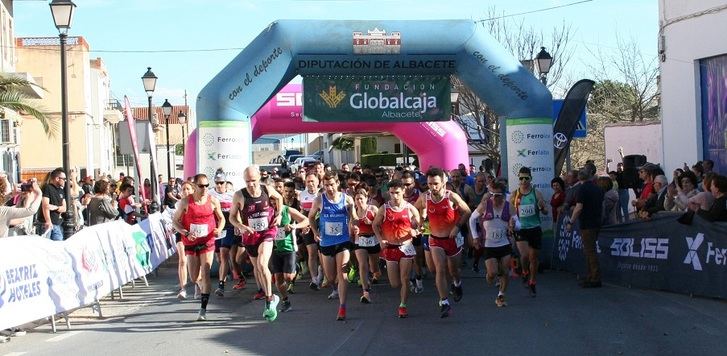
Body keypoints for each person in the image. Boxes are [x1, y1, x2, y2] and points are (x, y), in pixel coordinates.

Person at [414, 167, 471, 318]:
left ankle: (457, 284)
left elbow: (467, 211)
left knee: (454, 271)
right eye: (430, 184)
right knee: (439, 268)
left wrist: (457, 227)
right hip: (435, 239)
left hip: (452, 239)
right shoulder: (425, 198)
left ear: (444, 182)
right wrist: (419, 223)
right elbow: (413, 210)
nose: (432, 187)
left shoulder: (451, 196)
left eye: (435, 183)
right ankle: (444, 301)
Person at [229, 166, 284, 322]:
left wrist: (279, 215)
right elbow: (232, 217)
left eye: (253, 181)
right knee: (257, 268)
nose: (251, 184)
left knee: (262, 263)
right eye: (247, 181)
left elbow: (279, 198)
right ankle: (271, 296)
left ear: (259, 178)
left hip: (267, 231)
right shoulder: (239, 195)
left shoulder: (267, 189)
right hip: (250, 235)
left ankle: (269, 300)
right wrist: (241, 226)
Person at [172, 174, 226, 321]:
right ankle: (200, 285)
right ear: (195, 186)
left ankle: (203, 309)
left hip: (207, 241)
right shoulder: (185, 202)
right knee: (194, 277)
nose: (205, 189)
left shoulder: (213, 201)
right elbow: (175, 221)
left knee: (206, 272)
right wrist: (185, 232)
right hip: (191, 242)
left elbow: (222, 218)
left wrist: (219, 228)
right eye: (201, 186)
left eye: (207, 186)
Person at [308, 171, 358, 321]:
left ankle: (342, 307)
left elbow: (353, 216)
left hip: (343, 241)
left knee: (342, 274)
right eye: (326, 185)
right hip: (326, 243)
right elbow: (310, 217)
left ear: (337, 184)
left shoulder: (347, 199)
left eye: (331, 184)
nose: (329, 188)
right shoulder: (319, 200)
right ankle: (334, 288)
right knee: (330, 277)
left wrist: (355, 226)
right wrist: (315, 232)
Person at [373, 179, 421, 318]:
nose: (395, 196)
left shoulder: (410, 208)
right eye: (392, 193)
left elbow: (418, 225)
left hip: (406, 247)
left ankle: (403, 305)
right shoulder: (384, 208)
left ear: (403, 192)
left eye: (397, 193)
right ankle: (406, 287)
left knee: (404, 278)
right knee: (395, 283)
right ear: (389, 192)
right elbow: (375, 225)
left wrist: (415, 231)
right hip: (390, 248)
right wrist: (380, 239)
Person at [469, 181, 516, 307]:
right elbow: (472, 219)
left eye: (497, 195)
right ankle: (490, 277)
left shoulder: (509, 206)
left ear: (503, 195)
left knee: (505, 271)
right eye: (492, 194)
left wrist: (513, 224)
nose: (494, 198)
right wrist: (475, 237)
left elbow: (518, 222)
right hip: (489, 245)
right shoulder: (485, 205)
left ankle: (501, 296)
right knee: (492, 273)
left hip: (504, 243)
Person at [510, 166, 549, 297]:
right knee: (525, 255)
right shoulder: (515, 195)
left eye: (526, 178)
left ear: (531, 179)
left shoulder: (536, 193)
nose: (524, 180)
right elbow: (509, 212)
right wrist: (511, 223)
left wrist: (542, 208)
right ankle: (525, 271)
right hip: (521, 229)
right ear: (519, 179)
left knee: (533, 258)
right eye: (521, 178)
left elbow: (545, 210)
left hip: (535, 228)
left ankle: (532, 281)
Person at [270, 193, 309, 313]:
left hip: (289, 248)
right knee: (278, 279)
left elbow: (305, 220)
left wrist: (294, 226)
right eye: (270, 201)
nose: (272, 203)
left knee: (289, 277)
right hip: (274, 249)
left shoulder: (287, 210)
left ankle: (296, 267)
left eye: (274, 200)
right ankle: (285, 300)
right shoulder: (266, 213)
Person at [567, 169, 605, 288]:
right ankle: (591, 275)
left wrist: (570, 222)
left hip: (587, 223)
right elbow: (602, 205)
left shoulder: (582, 189)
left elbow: (579, 207)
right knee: (589, 250)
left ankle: (595, 277)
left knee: (590, 251)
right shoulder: (598, 188)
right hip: (596, 221)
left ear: (579, 178)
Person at [351, 185, 381, 304]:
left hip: (373, 239)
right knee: (363, 265)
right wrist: (353, 230)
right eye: (357, 199)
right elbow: (351, 224)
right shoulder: (354, 211)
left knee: (374, 267)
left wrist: (372, 223)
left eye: (361, 198)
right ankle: (366, 292)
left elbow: (382, 224)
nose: (359, 201)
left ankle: (376, 273)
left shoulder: (373, 209)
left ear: (366, 198)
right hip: (360, 241)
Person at [208, 172, 236, 298]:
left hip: (229, 227)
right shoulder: (209, 194)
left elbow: (238, 211)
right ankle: (225, 271)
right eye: (217, 183)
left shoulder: (232, 195)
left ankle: (221, 285)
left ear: (225, 183)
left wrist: (239, 225)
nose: (219, 185)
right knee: (219, 258)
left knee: (224, 253)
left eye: (222, 183)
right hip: (215, 229)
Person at [298, 173, 323, 290]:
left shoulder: (322, 193)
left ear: (318, 182)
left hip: (322, 226)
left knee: (322, 253)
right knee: (312, 252)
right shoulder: (302, 195)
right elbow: (302, 212)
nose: (310, 184)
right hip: (308, 226)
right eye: (308, 182)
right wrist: (303, 225)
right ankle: (314, 279)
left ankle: (322, 273)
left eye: (312, 181)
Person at [174, 181, 196, 300]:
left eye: (188, 189)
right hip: (181, 233)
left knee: (196, 261)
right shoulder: (178, 204)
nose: (186, 191)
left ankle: (198, 284)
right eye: (183, 189)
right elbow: (175, 220)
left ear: (193, 191)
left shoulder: (197, 203)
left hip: (194, 234)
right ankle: (183, 289)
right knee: (183, 260)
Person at [36, 168, 67, 241]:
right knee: (45, 246)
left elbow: (64, 208)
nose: (65, 181)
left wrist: (55, 207)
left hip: (57, 223)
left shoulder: (61, 190)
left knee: (58, 245)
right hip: (46, 223)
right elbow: (45, 205)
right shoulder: (47, 188)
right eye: (64, 179)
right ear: (57, 178)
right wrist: (48, 221)